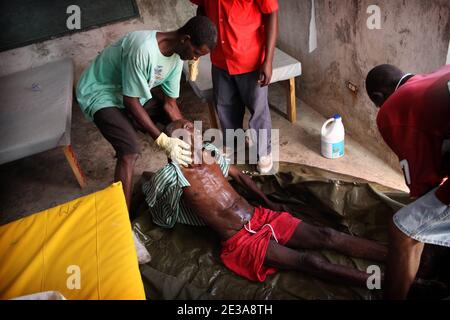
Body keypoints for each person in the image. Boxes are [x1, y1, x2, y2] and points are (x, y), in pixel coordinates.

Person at [142, 119, 388, 285]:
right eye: (187, 132)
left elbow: (238, 175)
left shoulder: (210, 153)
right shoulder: (173, 175)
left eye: (193, 128)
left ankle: (395, 259)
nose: (195, 132)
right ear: (178, 144)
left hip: (259, 216)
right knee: (310, 261)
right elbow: (159, 208)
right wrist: (153, 181)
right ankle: (379, 282)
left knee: (328, 236)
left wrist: (269, 202)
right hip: (240, 239)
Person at [76, 16, 217, 211]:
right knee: (129, 150)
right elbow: (130, 102)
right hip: (101, 92)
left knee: (178, 129)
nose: (195, 58)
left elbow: (170, 105)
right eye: (195, 52)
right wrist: (162, 140)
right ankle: (122, 218)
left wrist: (190, 135)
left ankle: (180, 187)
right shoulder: (143, 48)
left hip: (131, 93)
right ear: (185, 39)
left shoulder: (176, 61)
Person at [366, 64, 450, 299]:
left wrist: (423, 243)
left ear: (378, 98)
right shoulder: (437, 74)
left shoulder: (392, 110)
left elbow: (424, 184)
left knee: (402, 230)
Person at [190, 0, 279, 174]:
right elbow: (201, 6)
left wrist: (268, 61)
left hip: (250, 58)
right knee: (225, 106)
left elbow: (271, 14)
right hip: (220, 59)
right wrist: (199, 41)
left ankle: (263, 153)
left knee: (258, 109)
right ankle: (235, 143)